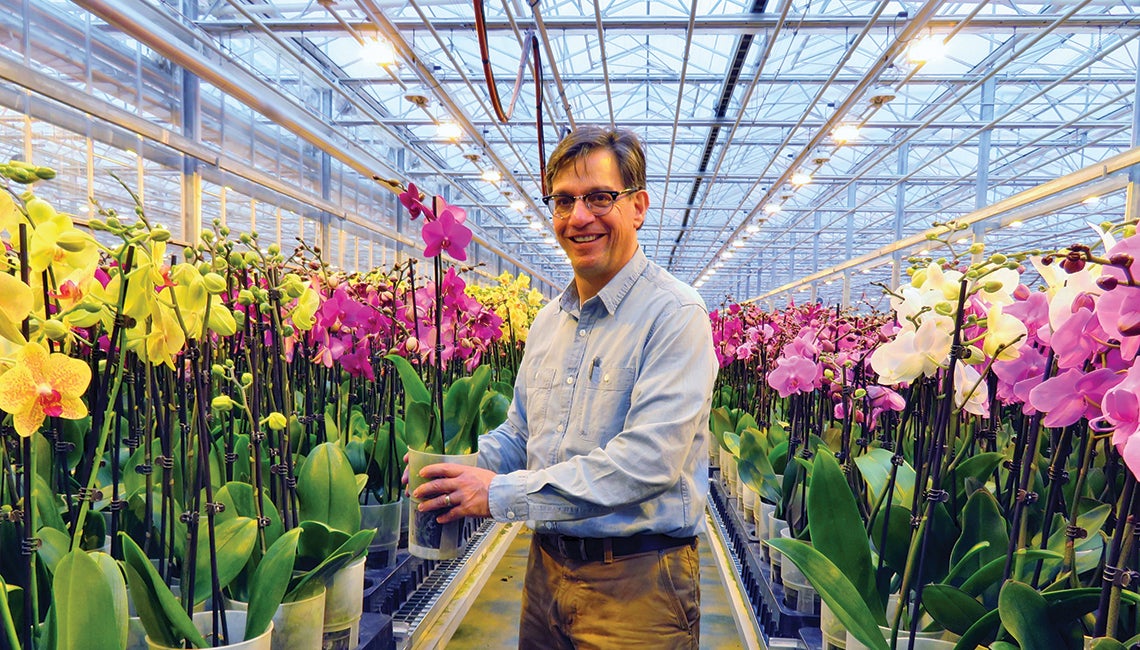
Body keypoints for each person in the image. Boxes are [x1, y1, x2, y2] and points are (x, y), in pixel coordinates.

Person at [410, 125, 718, 648]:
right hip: (545, 569)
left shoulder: (676, 314)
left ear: (638, 206)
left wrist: (499, 493)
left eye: (600, 197)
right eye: (564, 200)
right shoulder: (548, 322)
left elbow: (648, 461)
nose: (579, 217)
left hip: (637, 584)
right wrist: (460, 470)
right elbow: (521, 434)